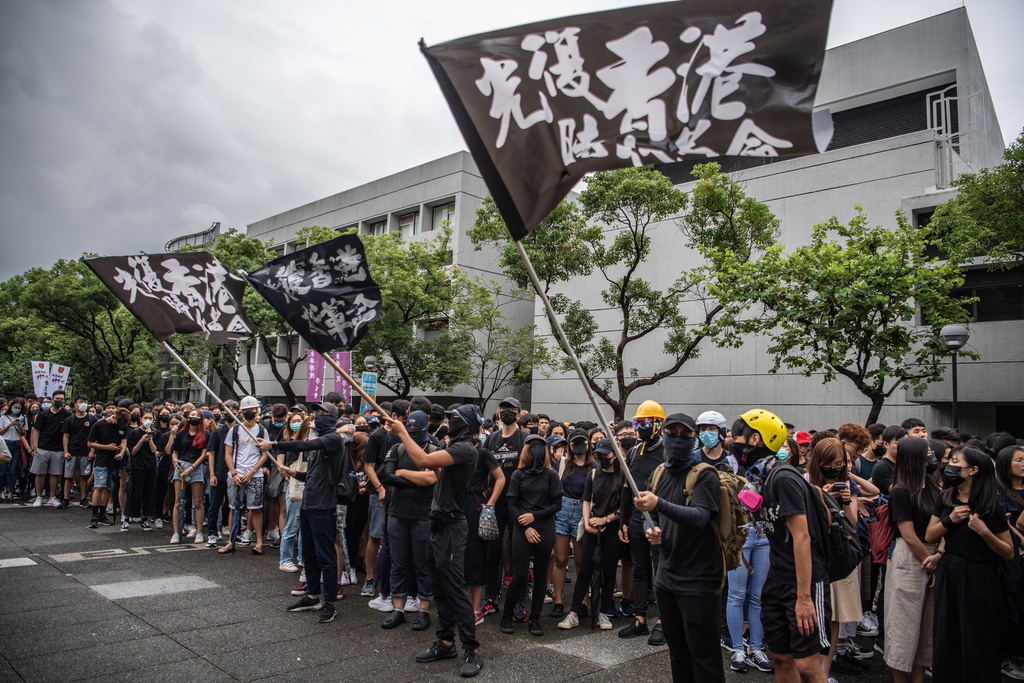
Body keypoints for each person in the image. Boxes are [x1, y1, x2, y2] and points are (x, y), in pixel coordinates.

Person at [385, 404, 484, 678]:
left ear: (465, 424)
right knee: (440, 588)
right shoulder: (453, 446)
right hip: (437, 524)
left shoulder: (467, 449)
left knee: (454, 590)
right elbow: (433, 469)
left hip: (453, 527)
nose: (449, 421)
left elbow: (424, 462)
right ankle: (445, 642)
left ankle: (472, 650)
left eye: (454, 418)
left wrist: (403, 431)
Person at [630, 413, 724, 682]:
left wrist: (658, 504)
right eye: (673, 433)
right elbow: (655, 517)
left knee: (704, 657)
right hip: (667, 576)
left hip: (699, 580)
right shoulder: (660, 473)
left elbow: (700, 517)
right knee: (678, 654)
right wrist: (652, 529)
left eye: (686, 435)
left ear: (694, 438)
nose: (678, 440)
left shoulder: (705, 475)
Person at [260, 401, 352, 625]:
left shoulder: (331, 439)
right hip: (309, 504)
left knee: (325, 556)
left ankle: (329, 603)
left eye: (322, 413)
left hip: (324, 507)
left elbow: (302, 445)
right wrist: (294, 473)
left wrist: (272, 444)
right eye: (316, 412)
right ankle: (312, 595)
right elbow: (314, 473)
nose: (316, 416)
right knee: (308, 554)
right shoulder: (321, 444)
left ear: (332, 418)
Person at [926, 446, 1013, 683]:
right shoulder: (946, 497)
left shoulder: (989, 505)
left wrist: (984, 532)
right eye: (950, 462)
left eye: (957, 463)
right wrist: (949, 520)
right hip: (950, 572)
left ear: (974, 470)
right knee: (948, 634)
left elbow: (1008, 551)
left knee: (978, 638)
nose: (950, 467)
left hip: (979, 576)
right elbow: (930, 535)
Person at [756, 408, 829, 683]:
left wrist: (804, 597)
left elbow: (802, 537)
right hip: (778, 578)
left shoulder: (785, 478)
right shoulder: (761, 478)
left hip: (803, 582)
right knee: (781, 657)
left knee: (808, 666)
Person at [883, 437, 940, 683]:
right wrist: (931, 561)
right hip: (910, 555)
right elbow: (907, 534)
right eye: (927, 452)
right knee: (903, 624)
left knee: (927, 627)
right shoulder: (900, 490)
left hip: (934, 553)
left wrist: (938, 555)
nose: (932, 456)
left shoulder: (934, 487)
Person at [500, 434, 562, 637]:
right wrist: (525, 525)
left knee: (541, 576)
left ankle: (535, 619)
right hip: (522, 528)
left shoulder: (551, 475)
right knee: (519, 574)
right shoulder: (518, 475)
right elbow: (512, 504)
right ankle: (507, 616)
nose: (536, 449)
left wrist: (534, 516)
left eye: (540, 446)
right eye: (532, 445)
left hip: (544, 527)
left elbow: (556, 505)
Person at [379, 410, 436, 631]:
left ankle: (423, 610)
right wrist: (416, 480)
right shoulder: (397, 448)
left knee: (422, 564)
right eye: (408, 427)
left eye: (416, 427)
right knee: (398, 563)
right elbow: (388, 475)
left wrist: (403, 474)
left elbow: (432, 478)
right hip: (397, 514)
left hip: (423, 515)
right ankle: (398, 609)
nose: (412, 431)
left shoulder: (433, 449)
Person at [558, 439, 622, 631]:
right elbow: (586, 500)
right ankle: (574, 612)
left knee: (609, 571)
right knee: (585, 569)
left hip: (612, 529)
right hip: (592, 528)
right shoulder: (594, 474)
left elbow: (624, 507)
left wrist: (606, 520)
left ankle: (603, 611)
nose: (602, 459)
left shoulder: (623, 478)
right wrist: (587, 523)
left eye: (606, 455)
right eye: (599, 455)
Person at [618, 399, 667, 643]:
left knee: (660, 571)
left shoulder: (667, 452)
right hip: (636, 518)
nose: (642, 427)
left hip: (659, 519)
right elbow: (627, 488)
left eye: (646, 422)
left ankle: (662, 620)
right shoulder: (635, 451)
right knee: (640, 569)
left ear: (659, 424)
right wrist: (623, 520)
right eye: (639, 422)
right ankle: (639, 618)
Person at [481, 397, 527, 616]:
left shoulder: (525, 439)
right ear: (498, 413)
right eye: (503, 409)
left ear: (519, 414)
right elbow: (484, 469)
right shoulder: (491, 440)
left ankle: (519, 601)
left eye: (512, 410)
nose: (507, 413)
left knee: (519, 553)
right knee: (492, 552)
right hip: (495, 503)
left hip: (518, 504)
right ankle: (491, 597)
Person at [550, 428, 593, 619]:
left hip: (582, 512)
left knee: (581, 560)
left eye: (582, 441)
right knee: (560, 558)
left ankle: (583, 601)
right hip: (563, 508)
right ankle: (558, 600)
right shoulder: (561, 464)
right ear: (569, 445)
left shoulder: (595, 467)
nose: (579, 445)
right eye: (575, 442)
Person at [221, 396, 268, 554]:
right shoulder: (235, 430)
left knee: (256, 509)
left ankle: (259, 542)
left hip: (255, 475)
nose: (249, 413)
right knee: (234, 508)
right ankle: (231, 541)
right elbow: (228, 454)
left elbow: (264, 454)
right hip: (236, 475)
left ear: (257, 411)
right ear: (241, 412)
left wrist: (252, 471)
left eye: (252, 410)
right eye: (246, 411)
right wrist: (234, 473)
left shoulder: (262, 430)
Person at [169, 408, 210, 544]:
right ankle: (176, 532)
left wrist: (192, 468)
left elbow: (204, 454)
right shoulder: (181, 434)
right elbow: (175, 452)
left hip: (196, 467)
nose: (193, 417)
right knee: (178, 501)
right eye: (191, 415)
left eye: (196, 416)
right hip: (181, 466)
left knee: (197, 501)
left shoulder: (205, 434)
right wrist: (175, 461)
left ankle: (199, 532)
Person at [86, 408, 130, 528]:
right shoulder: (99, 425)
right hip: (102, 459)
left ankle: (102, 514)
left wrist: (121, 452)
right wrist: (106, 447)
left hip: (115, 461)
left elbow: (124, 441)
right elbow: (90, 443)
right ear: (114, 416)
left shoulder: (123, 426)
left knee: (108, 488)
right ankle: (94, 516)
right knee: (99, 486)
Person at [30, 394, 68, 507]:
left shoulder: (67, 414)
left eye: (61, 399)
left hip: (58, 449)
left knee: (55, 474)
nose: (59, 401)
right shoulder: (43, 414)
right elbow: (36, 430)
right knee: (40, 473)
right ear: (52, 399)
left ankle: (52, 497)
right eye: (57, 399)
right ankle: (38, 496)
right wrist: (35, 447)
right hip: (43, 447)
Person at [124, 410, 159, 531]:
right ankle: (127, 518)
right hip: (137, 466)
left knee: (149, 493)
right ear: (141, 419)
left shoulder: (155, 433)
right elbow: (133, 451)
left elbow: (155, 451)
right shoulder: (134, 433)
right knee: (133, 492)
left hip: (150, 466)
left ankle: (145, 519)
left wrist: (149, 439)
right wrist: (142, 440)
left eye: (150, 418)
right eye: (146, 417)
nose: (148, 420)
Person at [60, 396, 97, 508]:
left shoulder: (92, 419)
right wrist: (65, 451)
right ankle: (65, 498)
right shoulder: (70, 420)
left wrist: (92, 451)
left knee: (83, 476)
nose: (83, 404)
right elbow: (66, 436)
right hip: (72, 451)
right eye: (81, 402)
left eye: (85, 402)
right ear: (75, 404)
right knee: (69, 476)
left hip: (85, 451)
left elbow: (95, 437)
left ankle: (83, 499)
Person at [0, 399, 30, 502]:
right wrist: (9, 425)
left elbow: (22, 434)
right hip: (5, 443)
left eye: (19, 408)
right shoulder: (3, 417)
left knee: (13, 470)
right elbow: (1, 432)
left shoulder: (23, 418)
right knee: (3, 471)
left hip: (16, 443)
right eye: (15, 407)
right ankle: (1, 491)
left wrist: (19, 426)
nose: (16, 409)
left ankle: (10, 493)